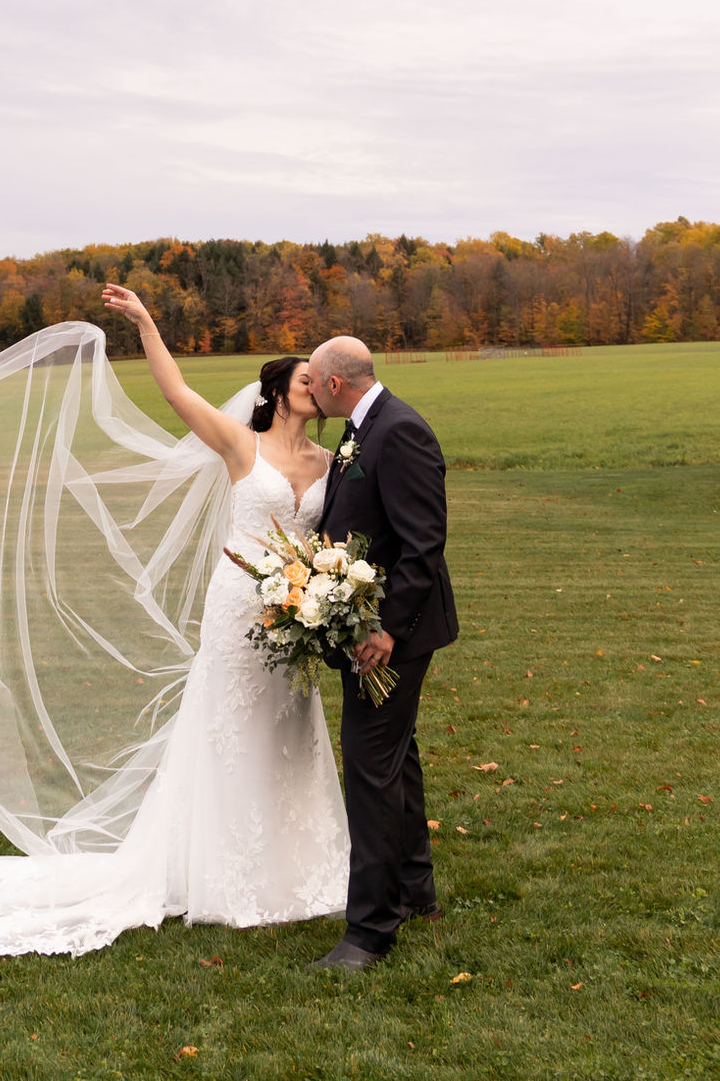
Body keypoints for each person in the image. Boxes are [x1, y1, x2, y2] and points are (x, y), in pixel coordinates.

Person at [0, 304, 348, 955]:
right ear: (276, 390)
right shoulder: (241, 444)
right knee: (234, 726)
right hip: (238, 605)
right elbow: (177, 392)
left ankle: (299, 864)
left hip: (296, 613)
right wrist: (148, 325)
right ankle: (225, 870)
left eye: (317, 378)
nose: (312, 382)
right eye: (302, 375)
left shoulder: (333, 461)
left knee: (289, 725)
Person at [306, 335, 458, 971]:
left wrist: (388, 628)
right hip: (369, 623)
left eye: (312, 382)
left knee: (370, 768)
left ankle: (369, 933)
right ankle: (415, 890)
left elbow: (424, 544)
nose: (308, 392)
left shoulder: (399, 431)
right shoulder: (360, 429)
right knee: (396, 759)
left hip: (393, 633)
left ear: (336, 384)